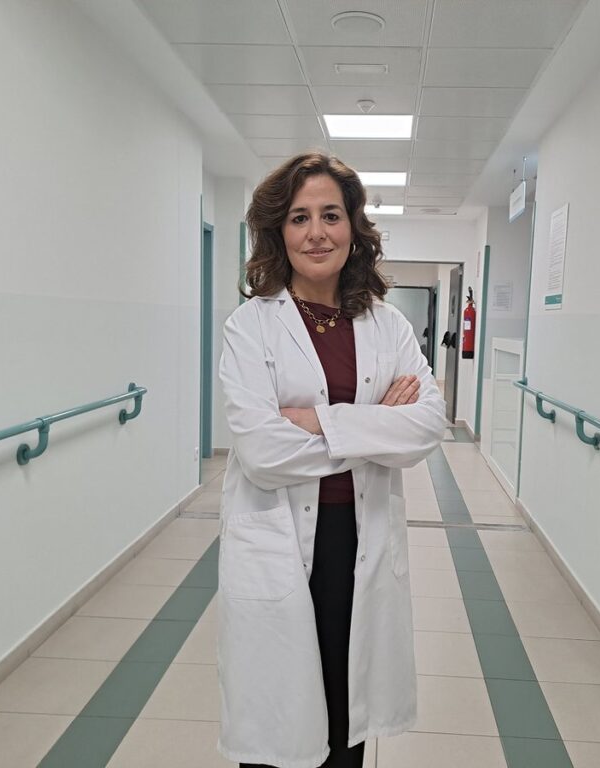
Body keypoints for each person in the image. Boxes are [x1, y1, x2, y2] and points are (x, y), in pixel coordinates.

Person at [216, 152, 448, 768]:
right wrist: (375, 426)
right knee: (279, 716)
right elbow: (262, 453)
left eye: (331, 215)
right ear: (279, 231)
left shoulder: (388, 325)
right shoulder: (250, 327)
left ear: (353, 228)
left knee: (346, 713)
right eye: (299, 217)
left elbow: (427, 425)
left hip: (358, 535)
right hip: (277, 536)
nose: (316, 232)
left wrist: (319, 420)